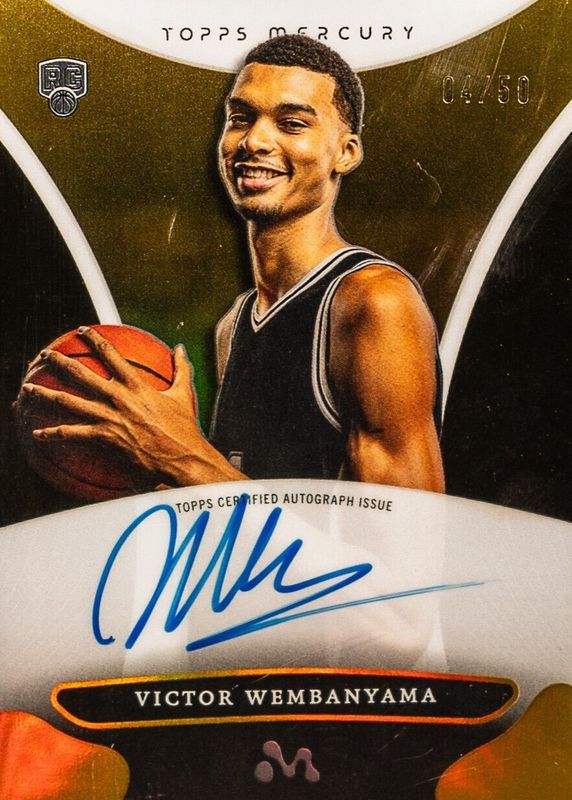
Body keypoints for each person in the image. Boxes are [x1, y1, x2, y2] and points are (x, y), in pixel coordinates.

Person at [20, 35, 445, 493]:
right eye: (241, 118)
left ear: (346, 152)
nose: (254, 141)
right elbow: (240, 502)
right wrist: (139, 460)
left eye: (292, 124)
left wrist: (179, 455)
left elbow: (407, 533)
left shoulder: (375, 301)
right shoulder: (233, 326)